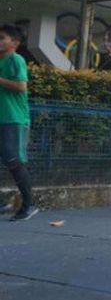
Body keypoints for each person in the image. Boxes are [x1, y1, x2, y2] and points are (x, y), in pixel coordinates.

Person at [0, 25, 37, 221]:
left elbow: (21, 86)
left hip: (14, 119)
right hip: (1, 118)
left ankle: (28, 205)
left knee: (14, 161)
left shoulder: (16, 60)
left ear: (14, 43)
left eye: (2, 38)